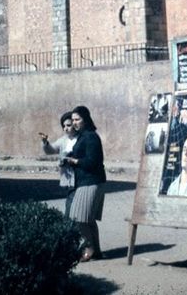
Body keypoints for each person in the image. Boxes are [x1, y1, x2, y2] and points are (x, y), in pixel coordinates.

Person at [65, 105, 106, 261]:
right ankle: (97, 250)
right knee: (88, 219)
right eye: (73, 120)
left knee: (78, 218)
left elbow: (93, 161)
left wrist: (75, 161)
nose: (74, 123)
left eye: (77, 119)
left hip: (91, 181)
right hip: (87, 181)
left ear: (85, 119)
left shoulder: (90, 136)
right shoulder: (83, 136)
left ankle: (89, 248)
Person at [39, 111, 77, 217]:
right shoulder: (63, 140)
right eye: (64, 126)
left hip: (79, 178)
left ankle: (69, 226)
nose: (66, 128)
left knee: (72, 207)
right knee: (70, 203)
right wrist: (45, 142)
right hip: (69, 178)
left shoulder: (81, 139)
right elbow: (51, 150)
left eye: (68, 125)